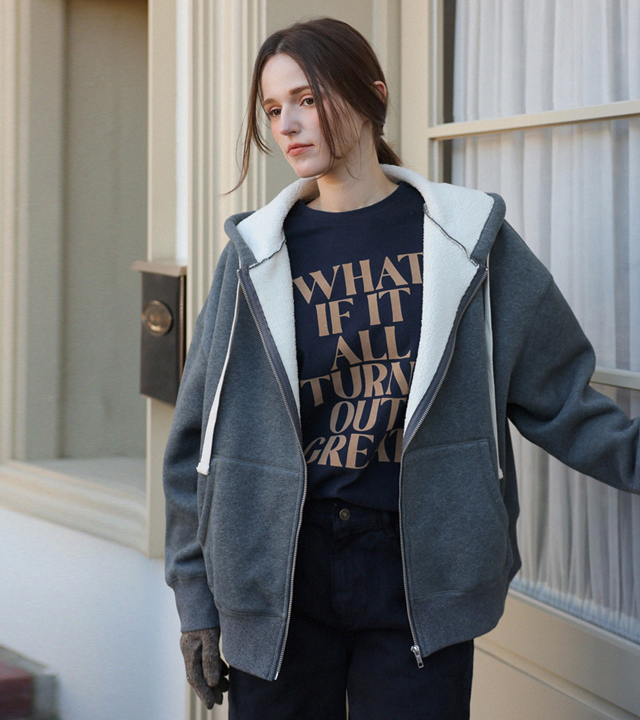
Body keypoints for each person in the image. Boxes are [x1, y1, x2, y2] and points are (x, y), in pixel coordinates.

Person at [163, 16, 640, 720]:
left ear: (373, 95)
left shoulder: (465, 241)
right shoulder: (254, 257)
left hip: (418, 566)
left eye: (307, 98)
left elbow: (561, 398)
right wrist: (196, 600)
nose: (286, 124)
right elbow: (194, 443)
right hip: (279, 566)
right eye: (272, 108)